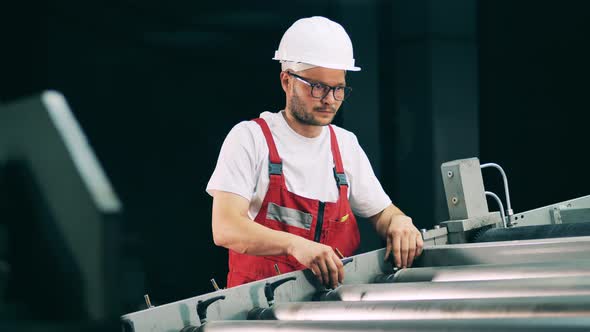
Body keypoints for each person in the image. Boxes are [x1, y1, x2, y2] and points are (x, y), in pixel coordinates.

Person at [206, 16, 423, 289]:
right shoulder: (251, 139)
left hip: (330, 310)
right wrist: (295, 245)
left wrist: (399, 221)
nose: (329, 100)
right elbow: (225, 227)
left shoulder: (344, 146)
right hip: (258, 314)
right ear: (287, 81)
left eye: (338, 89)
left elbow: (384, 213)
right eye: (317, 87)